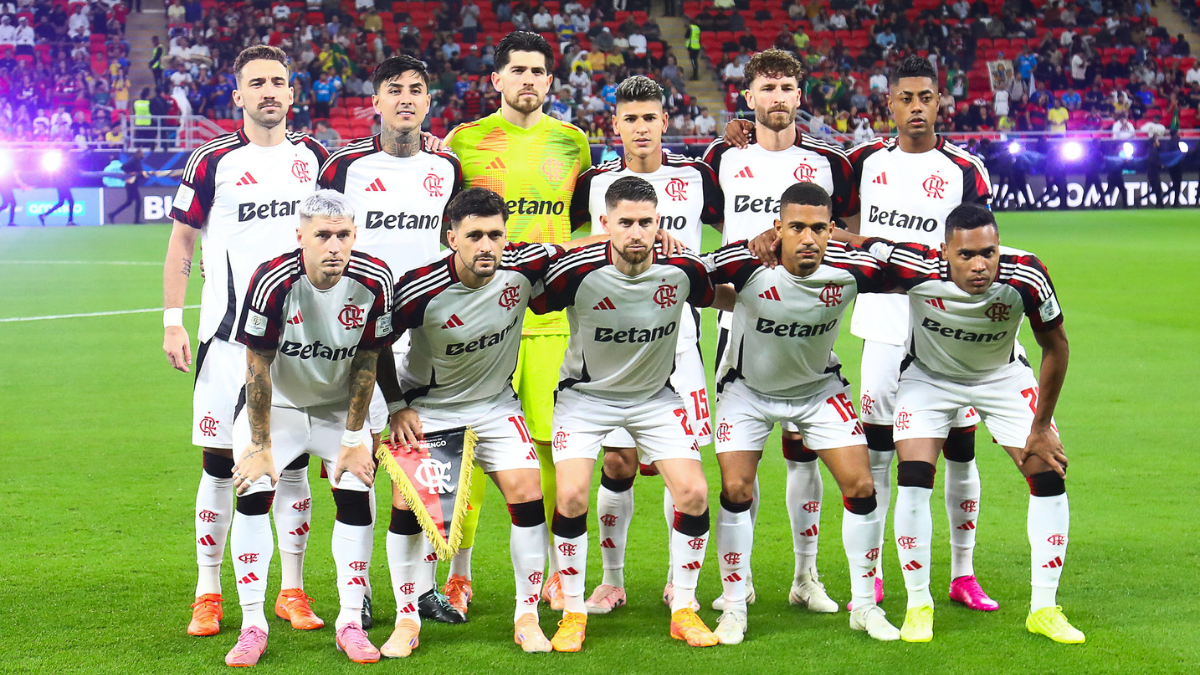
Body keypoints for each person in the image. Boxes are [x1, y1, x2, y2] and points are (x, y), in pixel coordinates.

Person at [838, 203, 1082, 645]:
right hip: (929, 379)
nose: (979, 265)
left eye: (988, 253)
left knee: (1048, 472)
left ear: (999, 247)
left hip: (1001, 377)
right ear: (945, 251)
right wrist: (817, 236)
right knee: (914, 477)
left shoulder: (1027, 274)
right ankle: (918, 605)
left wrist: (1041, 426)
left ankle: (1044, 608)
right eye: (966, 255)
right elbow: (864, 245)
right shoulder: (916, 265)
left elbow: (1057, 346)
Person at [377, 188, 606, 657]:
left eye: (495, 235)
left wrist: (638, 236)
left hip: (496, 406)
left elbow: (575, 248)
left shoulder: (521, 267)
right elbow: (375, 343)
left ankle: (527, 615)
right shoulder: (419, 288)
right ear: (451, 238)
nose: (487, 246)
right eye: (475, 236)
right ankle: (406, 619)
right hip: (431, 409)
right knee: (407, 507)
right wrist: (397, 405)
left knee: (528, 493)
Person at [163, 45, 329, 640]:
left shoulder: (315, 158)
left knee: (292, 465)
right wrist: (172, 320)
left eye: (277, 81)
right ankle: (208, 592)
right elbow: (182, 243)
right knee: (218, 464)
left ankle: (292, 590)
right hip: (226, 341)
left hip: (297, 343)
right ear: (238, 95)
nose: (268, 91)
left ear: (292, 93)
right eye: (256, 83)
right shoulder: (212, 160)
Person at [534, 175, 732, 652]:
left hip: (654, 397)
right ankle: (574, 611)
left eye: (646, 222)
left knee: (694, 492)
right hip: (585, 399)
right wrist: (576, 244)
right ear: (605, 223)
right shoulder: (577, 271)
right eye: (625, 223)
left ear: (659, 222)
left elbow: (728, 294)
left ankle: (684, 607)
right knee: (571, 496)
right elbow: (525, 282)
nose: (637, 233)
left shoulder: (682, 267)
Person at [704, 181, 900, 644]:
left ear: (832, 230)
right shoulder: (748, 263)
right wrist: (741, 254)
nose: (808, 238)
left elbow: (910, 266)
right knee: (736, 489)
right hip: (747, 391)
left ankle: (864, 606)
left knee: (862, 486)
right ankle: (734, 606)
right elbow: (691, 275)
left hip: (817, 390)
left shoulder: (849, 269)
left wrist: (855, 239)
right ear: (778, 228)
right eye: (796, 227)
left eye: (819, 228)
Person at [704, 48, 857, 613]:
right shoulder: (722, 156)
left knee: (803, 452)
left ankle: (805, 577)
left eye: (786, 88)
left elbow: (847, 235)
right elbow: (714, 226)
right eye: (766, 88)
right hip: (740, 321)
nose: (777, 98)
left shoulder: (828, 162)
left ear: (799, 95)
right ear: (748, 97)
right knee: (739, 463)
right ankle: (738, 581)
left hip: (807, 323)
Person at [444, 31, 591, 613]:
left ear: (549, 81)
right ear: (496, 79)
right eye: (517, 70)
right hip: (482, 319)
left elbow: (584, 220)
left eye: (537, 71)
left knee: (550, 448)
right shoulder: (464, 142)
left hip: (551, 317)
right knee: (470, 447)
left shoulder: (573, 143)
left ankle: (556, 572)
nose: (528, 80)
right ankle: (458, 572)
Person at [840, 55, 995, 611]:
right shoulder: (861, 162)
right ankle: (875, 571)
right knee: (879, 452)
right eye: (905, 98)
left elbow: (983, 249)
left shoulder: (965, 169)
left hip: (946, 330)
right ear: (889, 103)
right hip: (883, 326)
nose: (916, 108)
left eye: (925, 97)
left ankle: (962, 573)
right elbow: (837, 224)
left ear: (940, 100)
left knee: (961, 450)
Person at [318, 54, 466, 627]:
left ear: (428, 101)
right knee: (359, 469)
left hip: (426, 337)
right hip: (359, 336)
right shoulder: (344, 166)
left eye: (416, 89)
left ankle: (421, 589)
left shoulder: (446, 167)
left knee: (425, 468)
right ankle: (356, 592)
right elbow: (318, 238)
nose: (406, 98)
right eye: (394, 89)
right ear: (375, 102)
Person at [568, 76, 723, 614]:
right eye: (630, 118)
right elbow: (566, 244)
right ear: (615, 124)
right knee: (617, 463)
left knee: (682, 468)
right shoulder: (593, 182)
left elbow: (733, 230)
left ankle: (679, 583)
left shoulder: (697, 175)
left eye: (650, 118)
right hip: (611, 348)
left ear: (665, 121)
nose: (641, 128)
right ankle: (612, 580)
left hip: (678, 344)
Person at [226, 190, 393, 666]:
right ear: (300, 236)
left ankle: (350, 622)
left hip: (337, 409)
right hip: (277, 407)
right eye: (323, 236)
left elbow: (367, 362)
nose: (334, 246)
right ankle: (253, 625)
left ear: (355, 235)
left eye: (343, 235)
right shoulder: (273, 279)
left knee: (356, 490)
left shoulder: (376, 279)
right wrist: (260, 444)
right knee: (253, 487)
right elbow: (257, 365)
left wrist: (354, 439)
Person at [107, 149, 149, 224]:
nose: (144, 155)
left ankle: (112, 214)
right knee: (138, 201)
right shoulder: (134, 161)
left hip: (133, 184)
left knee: (129, 202)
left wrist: (142, 175)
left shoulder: (137, 161)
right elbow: (123, 167)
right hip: (131, 184)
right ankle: (136, 220)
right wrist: (130, 173)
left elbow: (139, 173)